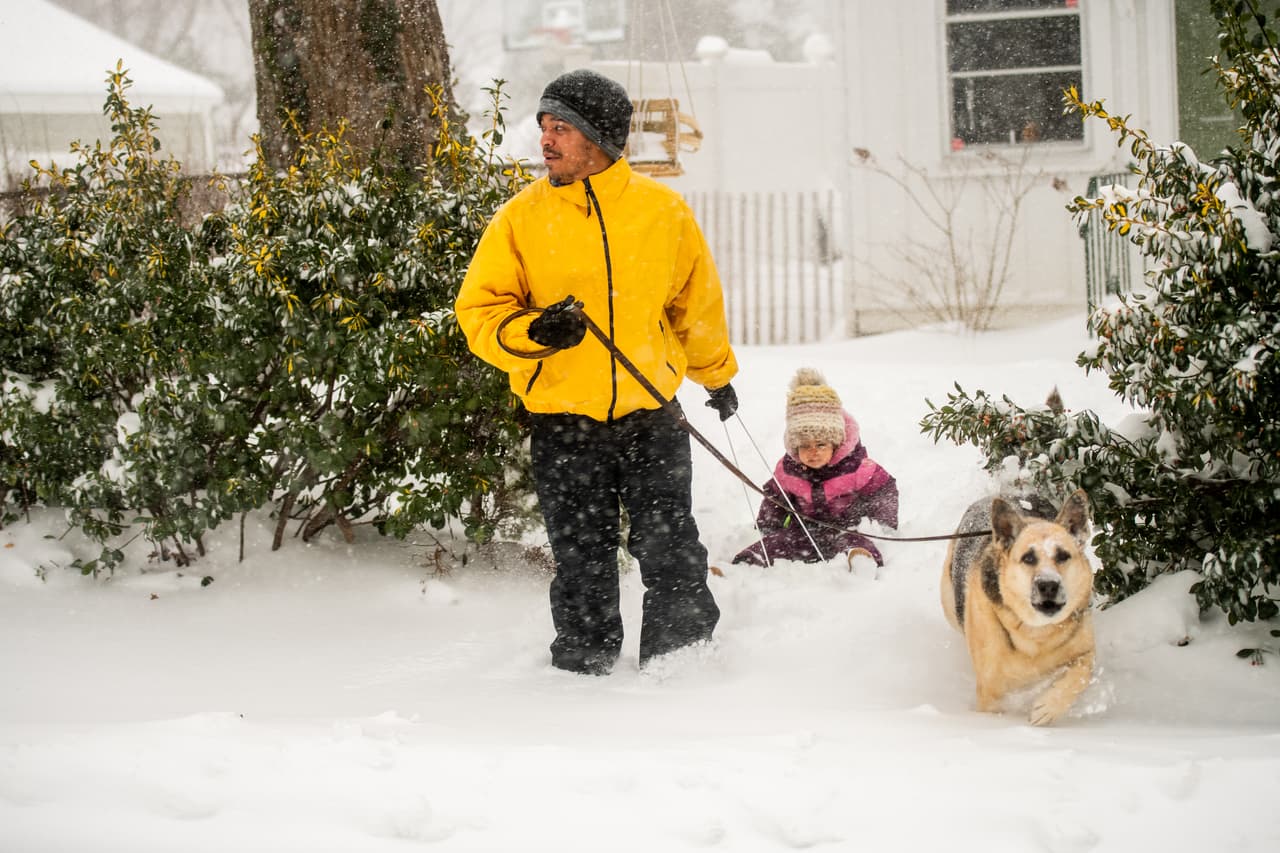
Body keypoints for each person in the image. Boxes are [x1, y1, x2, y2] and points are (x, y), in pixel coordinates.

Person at [454, 68, 739, 675]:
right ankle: (583, 668)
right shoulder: (521, 220)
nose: (546, 141)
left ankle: (682, 659)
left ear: (601, 140)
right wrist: (533, 332)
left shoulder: (662, 213)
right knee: (581, 553)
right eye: (544, 127)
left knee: (669, 544)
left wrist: (716, 375)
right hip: (564, 420)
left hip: (649, 416)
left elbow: (694, 304)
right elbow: (479, 311)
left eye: (562, 128)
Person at [732, 368, 898, 569]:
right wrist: (768, 526)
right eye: (805, 446)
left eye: (821, 445)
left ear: (835, 443)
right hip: (802, 532)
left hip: (846, 530)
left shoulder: (857, 468)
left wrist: (881, 525)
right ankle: (743, 566)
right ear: (795, 447)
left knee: (856, 543)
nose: (813, 452)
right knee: (775, 544)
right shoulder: (788, 472)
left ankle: (860, 561)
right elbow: (775, 498)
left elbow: (883, 490)